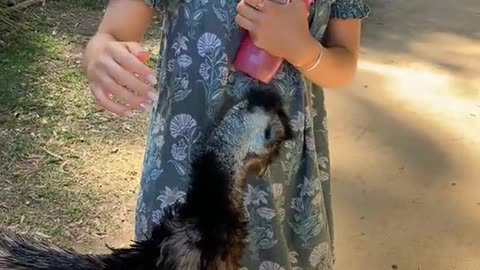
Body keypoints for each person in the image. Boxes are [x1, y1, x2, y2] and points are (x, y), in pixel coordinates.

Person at [82, 0, 369, 268]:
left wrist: (303, 50)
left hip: (287, 184)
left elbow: (344, 63)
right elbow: (111, 34)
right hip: (183, 178)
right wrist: (99, 54)